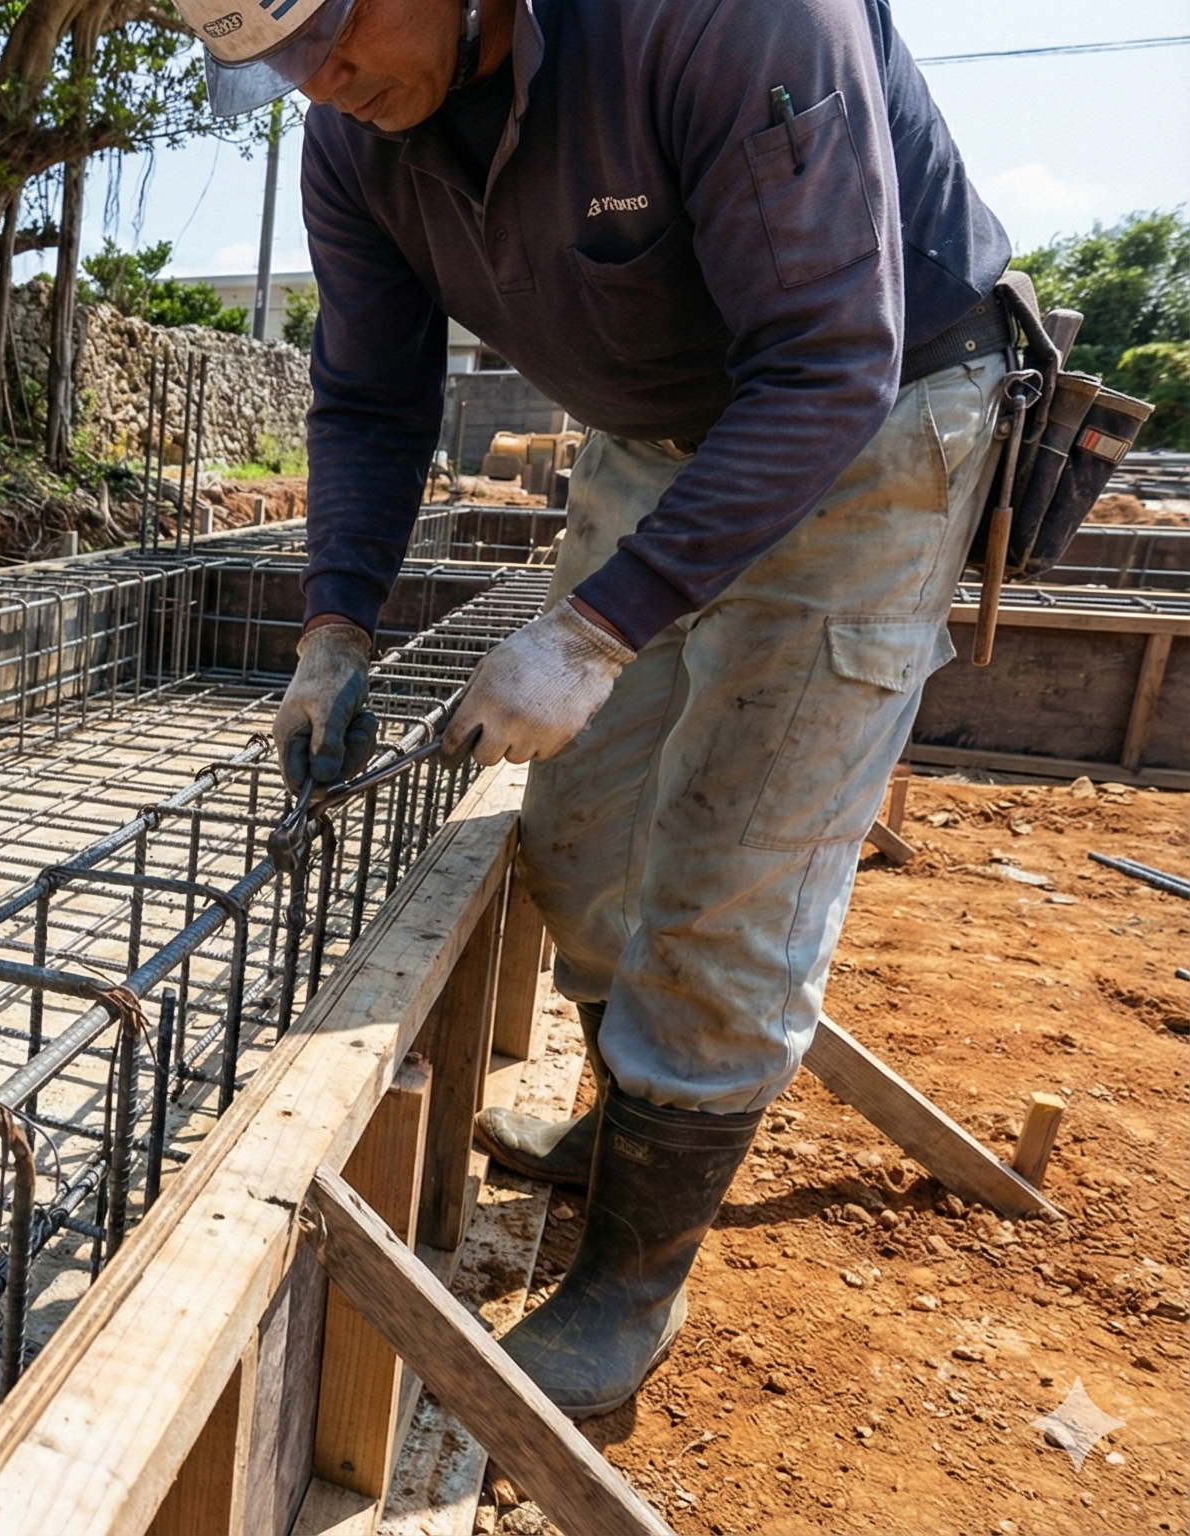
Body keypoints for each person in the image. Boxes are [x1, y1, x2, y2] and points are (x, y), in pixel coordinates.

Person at [191, 0, 1014, 1417]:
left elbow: (827, 359)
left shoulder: (718, 21)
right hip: (654, 436)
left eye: (333, 30)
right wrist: (334, 628)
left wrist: (590, 631)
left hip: (871, 422)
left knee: (728, 879)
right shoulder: (354, 138)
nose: (316, 78)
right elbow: (370, 402)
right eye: (276, 60)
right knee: (580, 828)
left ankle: (635, 1275)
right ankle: (616, 1114)